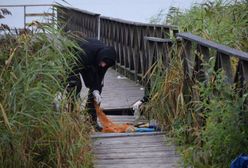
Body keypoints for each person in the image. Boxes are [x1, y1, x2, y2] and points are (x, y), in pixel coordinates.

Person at [66, 38, 116, 130]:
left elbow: (99, 77)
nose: (104, 65)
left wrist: (96, 90)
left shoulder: (105, 60)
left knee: (97, 89)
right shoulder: (86, 53)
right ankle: (71, 117)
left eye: (107, 64)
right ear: (101, 57)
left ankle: (91, 121)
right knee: (75, 85)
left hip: (91, 62)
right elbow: (72, 70)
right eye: (104, 62)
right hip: (73, 58)